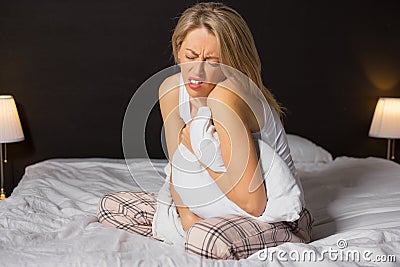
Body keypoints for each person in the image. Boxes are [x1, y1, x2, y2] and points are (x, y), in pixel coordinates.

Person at [97, 2, 313, 260]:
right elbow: (179, 169)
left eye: (212, 61)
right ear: (178, 51)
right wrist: (188, 218)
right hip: (210, 207)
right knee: (111, 206)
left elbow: (254, 204)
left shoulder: (228, 96)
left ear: (233, 63)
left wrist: (202, 152)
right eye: (190, 56)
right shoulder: (170, 89)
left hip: (273, 214)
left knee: (205, 238)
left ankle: (281, 236)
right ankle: (201, 232)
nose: (197, 71)